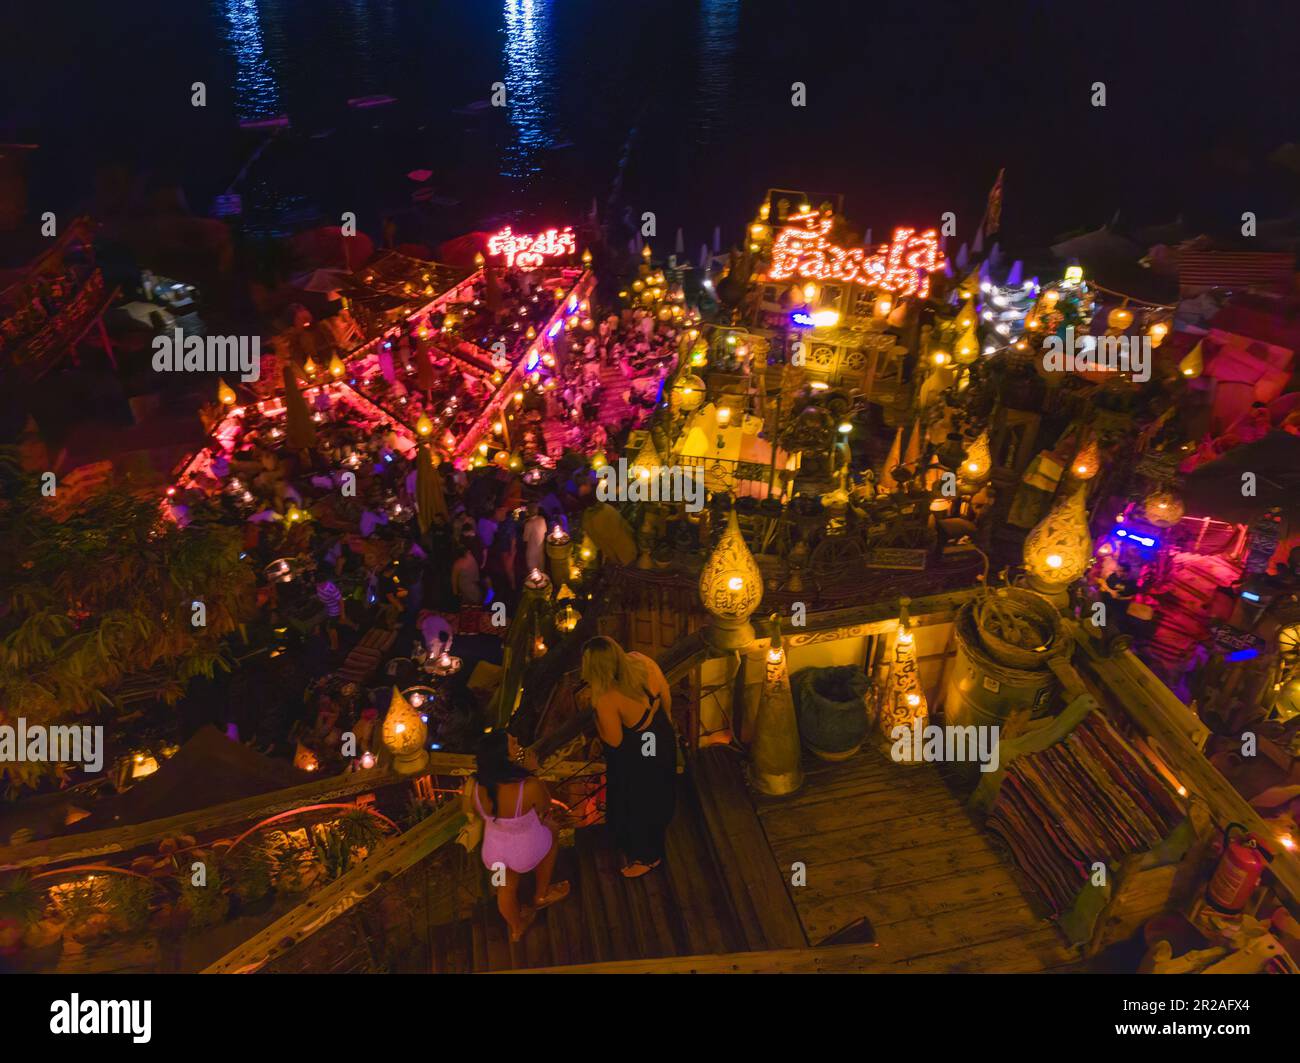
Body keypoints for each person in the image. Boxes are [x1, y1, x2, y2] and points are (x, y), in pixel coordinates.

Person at [581, 636, 676, 877]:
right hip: (658, 733)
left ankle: (648, 857)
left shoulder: (606, 698)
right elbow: (665, 693)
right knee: (659, 785)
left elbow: (614, 741)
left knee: (639, 799)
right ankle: (659, 826)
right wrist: (664, 724)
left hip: (638, 750)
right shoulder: (641, 661)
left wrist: (596, 718)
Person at [461, 730, 569, 941]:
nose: (517, 740)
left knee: (504, 888)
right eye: (512, 743)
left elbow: (470, 809)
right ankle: (541, 894)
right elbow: (545, 805)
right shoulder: (527, 786)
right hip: (525, 851)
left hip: (494, 854)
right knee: (553, 830)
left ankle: (516, 928)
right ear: (506, 758)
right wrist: (533, 772)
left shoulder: (473, 785)